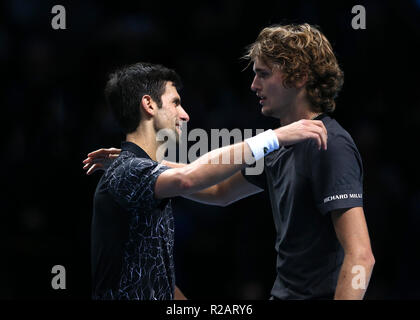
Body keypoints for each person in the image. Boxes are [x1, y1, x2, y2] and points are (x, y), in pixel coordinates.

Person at [86, 62, 327, 300]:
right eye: (176, 102)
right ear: (148, 104)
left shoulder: (134, 172)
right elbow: (189, 179)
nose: (185, 114)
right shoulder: (127, 170)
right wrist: (274, 137)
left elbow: (159, 281)